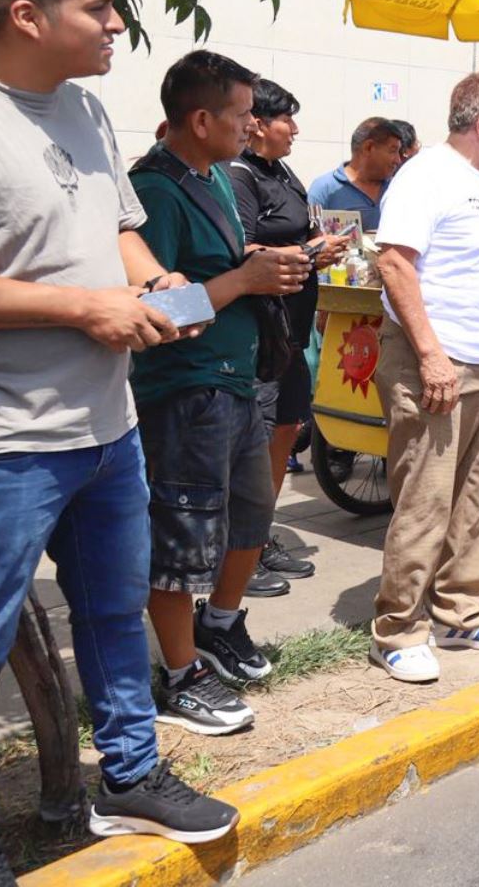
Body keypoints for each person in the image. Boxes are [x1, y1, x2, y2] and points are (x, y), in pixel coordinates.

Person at [0, 0, 238, 883]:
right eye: (99, 7)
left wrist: (154, 288)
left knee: (114, 613)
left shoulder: (85, 111)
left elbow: (120, 233)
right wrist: (84, 310)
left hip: (109, 429)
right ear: (25, 14)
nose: (119, 24)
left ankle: (131, 772)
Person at [129, 52, 312, 733]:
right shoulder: (156, 189)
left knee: (251, 515)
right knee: (181, 534)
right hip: (187, 388)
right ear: (201, 119)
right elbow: (158, 311)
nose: (251, 125)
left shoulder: (207, 178)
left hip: (236, 380)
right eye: (240, 114)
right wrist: (246, 280)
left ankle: (221, 622)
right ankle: (179, 673)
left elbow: (222, 273)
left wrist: (260, 268)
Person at [369, 71, 479, 683]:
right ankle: (398, 630)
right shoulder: (426, 175)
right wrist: (432, 355)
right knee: (426, 496)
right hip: (435, 360)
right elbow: (394, 263)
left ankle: (462, 611)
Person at [225, 79, 351, 589]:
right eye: (286, 120)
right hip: (258, 336)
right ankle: (236, 552)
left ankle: (257, 536)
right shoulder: (238, 175)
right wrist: (311, 254)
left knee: (283, 434)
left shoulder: (280, 171)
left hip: (291, 335)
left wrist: (316, 246)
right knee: (251, 447)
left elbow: (296, 234)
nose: (294, 130)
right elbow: (242, 251)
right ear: (256, 123)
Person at [307, 116, 404, 230]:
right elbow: (314, 238)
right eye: (393, 151)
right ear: (368, 147)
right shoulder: (323, 189)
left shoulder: (397, 189)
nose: (398, 160)